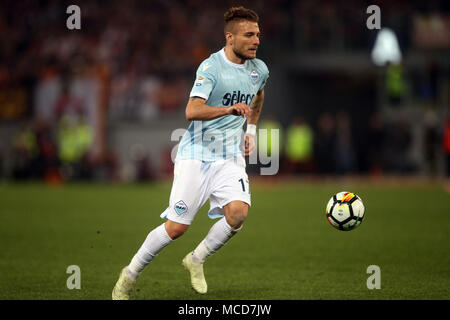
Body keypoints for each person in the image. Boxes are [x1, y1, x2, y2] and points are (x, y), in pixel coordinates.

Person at [112, 6, 269, 299]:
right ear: (230, 38)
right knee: (176, 228)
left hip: (229, 157)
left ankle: (196, 259)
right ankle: (129, 274)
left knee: (238, 214)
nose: (256, 40)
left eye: (258, 34)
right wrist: (229, 109)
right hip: (197, 154)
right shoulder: (211, 68)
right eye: (249, 34)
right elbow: (191, 110)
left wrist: (250, 131)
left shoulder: (258, 70)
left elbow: (258, 95)